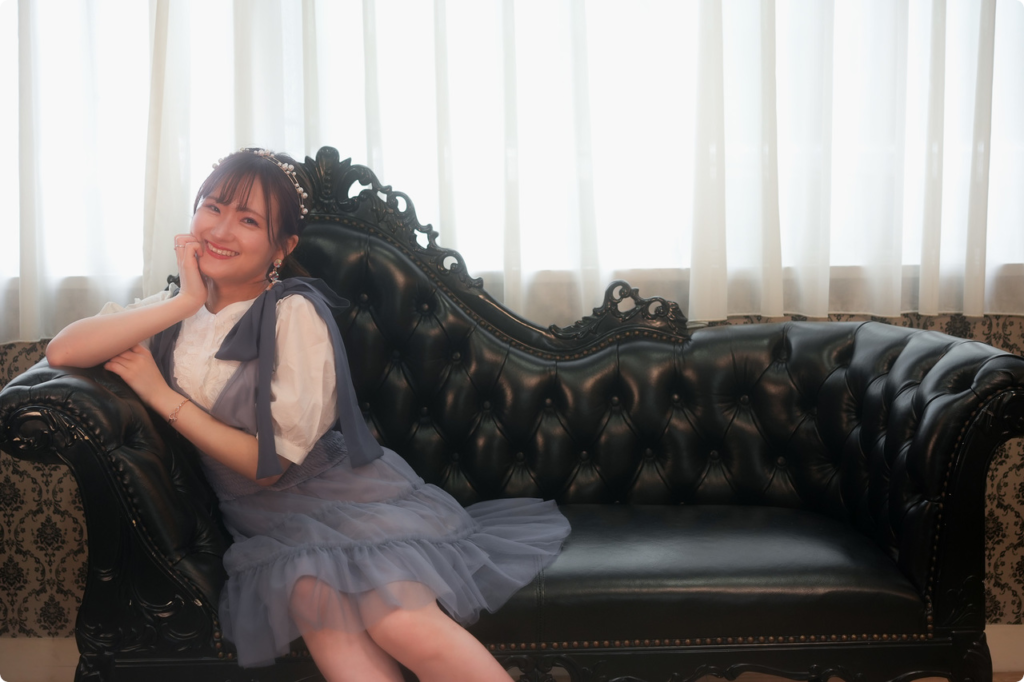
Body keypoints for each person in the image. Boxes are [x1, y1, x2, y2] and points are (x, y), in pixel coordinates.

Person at [45, 148, 571, 682]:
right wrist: (184, 302)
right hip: (263, 521)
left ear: (283, 246)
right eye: (213, 207)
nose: (221, 230)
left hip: (342, 498)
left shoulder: (293, 314)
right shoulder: (170, 308)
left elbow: (268, 466)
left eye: (248, 220)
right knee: (320, 612)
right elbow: (63, 351)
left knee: (398, 622)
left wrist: (160, 394)